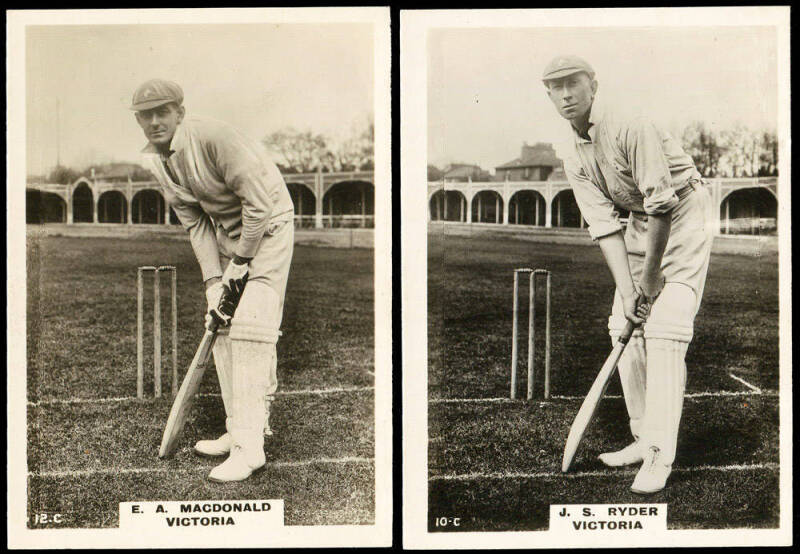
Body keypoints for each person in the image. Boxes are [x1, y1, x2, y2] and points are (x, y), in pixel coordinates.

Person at [542, 56, 714, 494]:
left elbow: (663, 203)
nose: (566, 95)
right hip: (641, 221)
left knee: (666, 325)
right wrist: (629, 290)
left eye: (573, 84)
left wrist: (651, 281)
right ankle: (642, 438)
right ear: (548, 95)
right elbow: (603, 224)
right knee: (623, 320)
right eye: (555, 87)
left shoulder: (628, 124)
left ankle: (660, 455)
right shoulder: (569, 148)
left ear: (592, 85)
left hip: (686, 212)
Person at [131, 78, 295, 482]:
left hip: (268, 226)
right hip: (226, 234)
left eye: (162, 112)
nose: (154, 121)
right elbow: (196, 224)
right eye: (145, 115)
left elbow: (258, 205)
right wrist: (213, 281)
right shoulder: (157, 161)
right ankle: (238, 425)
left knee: (251, 327)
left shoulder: (215, 138)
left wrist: (240, 265)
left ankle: (250, 448)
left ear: (179, 113)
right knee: (220, 326)